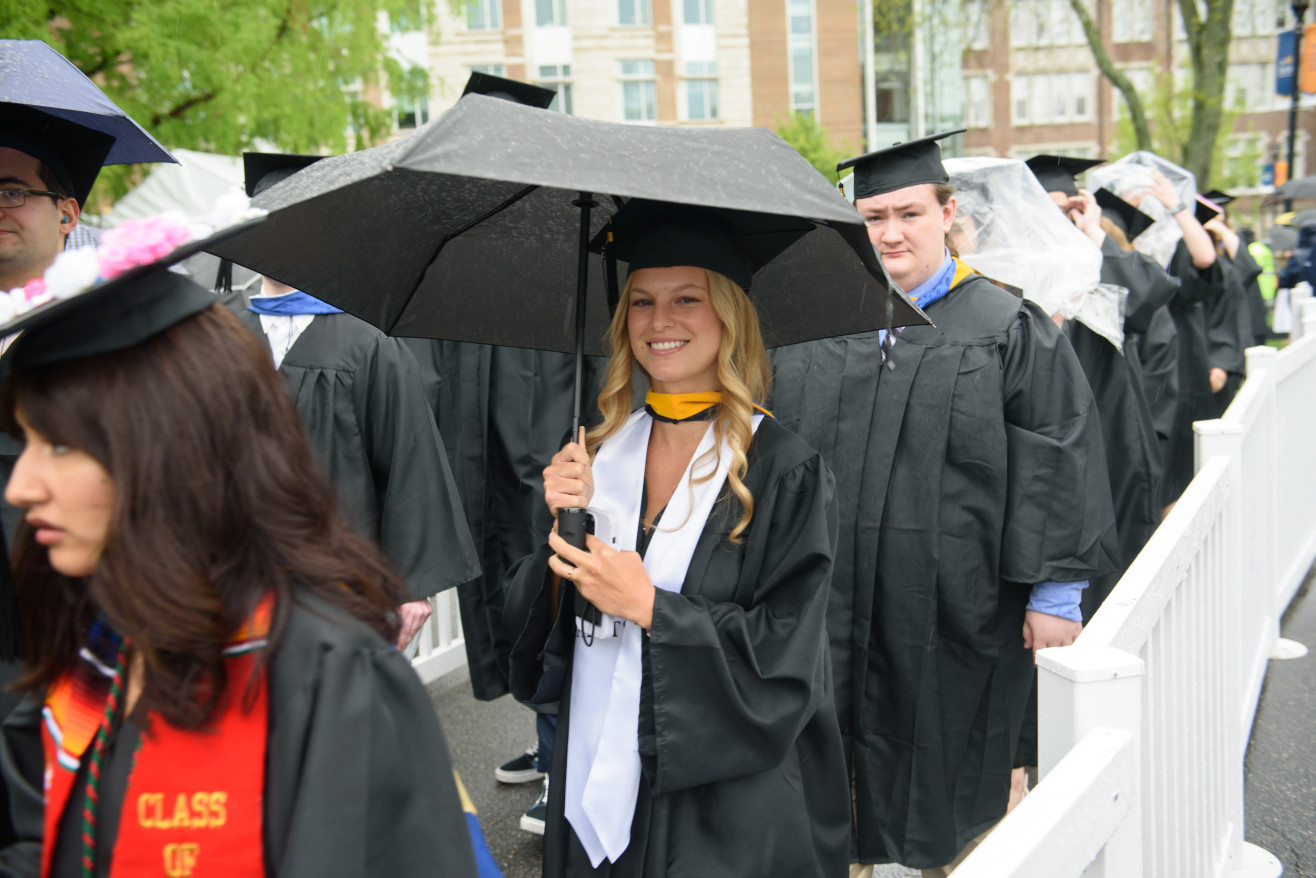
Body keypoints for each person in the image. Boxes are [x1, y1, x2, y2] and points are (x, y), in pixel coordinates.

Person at [0, 216, 479, 877]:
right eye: (23, 442)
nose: (20, 486)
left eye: (58, 445)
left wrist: (408, 584)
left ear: (168, 446)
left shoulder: (331, 681)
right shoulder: (93, 658)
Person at [772, 130, 1118, 876]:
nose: (890, 232)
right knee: (832, 773)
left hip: (959, 608)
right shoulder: (820, 326)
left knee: (955, 787)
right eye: (872, 217)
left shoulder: (1004, 325)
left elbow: (1053, 455)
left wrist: (1054, 592)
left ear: (947, 213)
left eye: (908, 213)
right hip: (831, 604)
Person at [502, 203, 850, 877]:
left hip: (718, 804)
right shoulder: (599, 457)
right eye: (641, 303)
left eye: (686, 299)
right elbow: (546, 635)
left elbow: (790, 656)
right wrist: (562, 540)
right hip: (595, 765)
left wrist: (656, 609)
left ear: (729, 315)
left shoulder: (782, 468)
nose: (658, 323)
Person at [230, 153, 480, 650]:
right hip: (232, 573)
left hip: (339, 580)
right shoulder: (219, 332)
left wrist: (410, 584)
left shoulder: (366, 345)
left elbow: (410, 461)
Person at [1026, 156, 1178, 617]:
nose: (1060, 220)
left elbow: (1151, 295)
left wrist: (1093, 236)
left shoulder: (1094, 269)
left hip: (1112, 444)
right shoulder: (1013, 271)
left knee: (1119, 585)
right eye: (1045, 209)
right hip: (1046, 451)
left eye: (1068, 209)